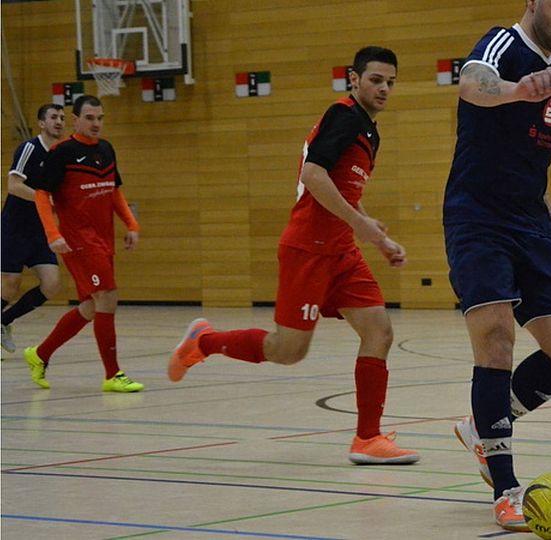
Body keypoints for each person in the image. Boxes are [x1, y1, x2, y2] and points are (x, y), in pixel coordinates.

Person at [168, 46, 418, 465]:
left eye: (390, 82)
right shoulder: (344, 116)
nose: (384, 88)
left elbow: (342, 191)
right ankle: (204, 342)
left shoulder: (370, 130)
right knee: (288, 350)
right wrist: (361, 225)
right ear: (353, 79)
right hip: (308, 249)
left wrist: (376, 237)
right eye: (376, 79)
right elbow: (313, 175)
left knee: (379, 331)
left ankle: (367, 439)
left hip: (341, 251)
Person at [442, 0, 551, 531]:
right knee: (496, 336)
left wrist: (550, 212)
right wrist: (514, 90)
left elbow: (528, 155)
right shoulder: (505, 45)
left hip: (530, 221)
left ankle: (479, 425)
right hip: (477, 217)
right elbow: (471, 81)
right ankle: (506, 488)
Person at [23, 95, 144, 392]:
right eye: (89, 118)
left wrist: (131, 223)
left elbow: (114, 191)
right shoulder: (61, 153)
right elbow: (41, 195)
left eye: (100, 118)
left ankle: (39, 354)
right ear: (75, 119)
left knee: (90, 306)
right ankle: (113, 374)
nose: (96, 124)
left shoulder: (106, 149)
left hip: (103, 239)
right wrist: (53, 234)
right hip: (78, 241)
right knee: (107, 297)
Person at [2, 104, 65, 353]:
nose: (59, 121)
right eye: (53, 117)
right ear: (41, 123)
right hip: (14, 228)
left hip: (40, 231)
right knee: (10, 286)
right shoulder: (30, 148)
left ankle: (4, 321)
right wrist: (46, 200)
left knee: (51, 284)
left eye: (61, 117)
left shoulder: (62, 154)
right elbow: (14, 185)